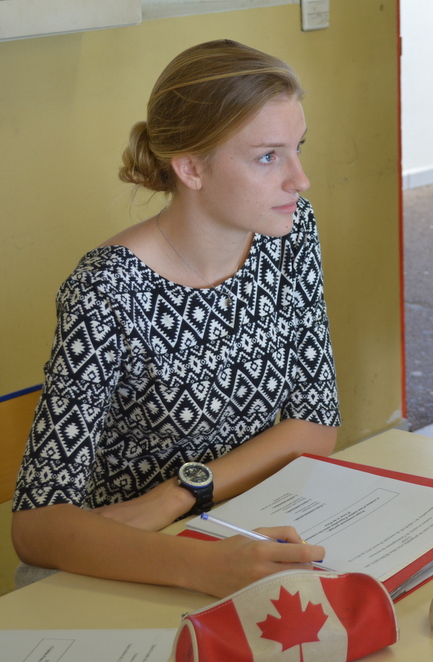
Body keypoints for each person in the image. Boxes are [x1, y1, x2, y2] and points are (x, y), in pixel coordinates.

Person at [11, 40, 340, 597]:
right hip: (143, 564)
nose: (300, 179)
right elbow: (37, 527)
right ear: (190, 167)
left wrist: (181, 493)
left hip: (242, 526)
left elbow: (315, 425)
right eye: (268, 157)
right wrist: (200, 561)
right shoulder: (107, 289)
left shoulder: (287, 231)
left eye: (297, 148)